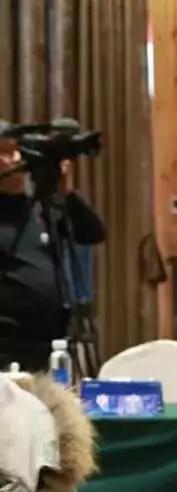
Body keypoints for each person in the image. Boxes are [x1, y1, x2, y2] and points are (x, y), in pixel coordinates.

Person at [0, 124, 105, 372]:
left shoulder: (41, 208)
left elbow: (92, 233)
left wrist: (66, 193)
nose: (15, 158)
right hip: (6, 348)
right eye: (4, 152)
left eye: (17, 151)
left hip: (48, 346)